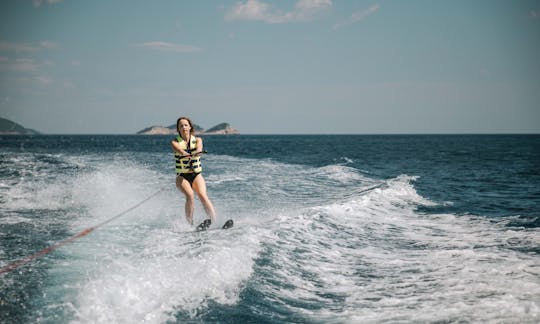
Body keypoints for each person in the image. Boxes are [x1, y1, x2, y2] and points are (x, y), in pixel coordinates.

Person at [171, 116, 216, 230]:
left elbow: (199, 148)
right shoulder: (175, 142)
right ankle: (189, 225)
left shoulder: (198, 140)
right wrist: (184, 153)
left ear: (190, 127)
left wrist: (197, 152)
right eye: (181, 126)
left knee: (202, 195)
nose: (183, 127)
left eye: (186, 125)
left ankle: (214, 221)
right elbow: (179, 150)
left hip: (196, 175)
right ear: (178, 129)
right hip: (182, 177)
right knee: (190, 195)